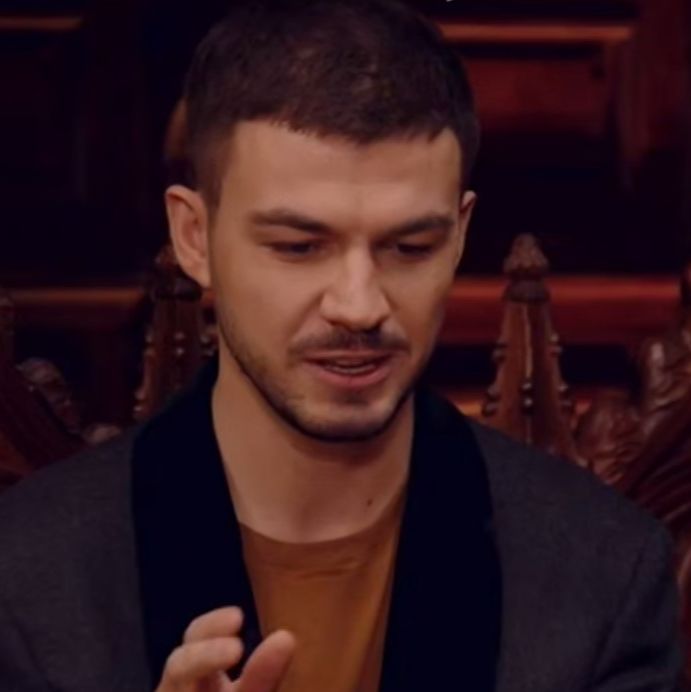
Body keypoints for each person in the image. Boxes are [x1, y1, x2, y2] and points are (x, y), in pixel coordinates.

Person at [0, 1, 682, 690]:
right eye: (298, 247)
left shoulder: (605, 573)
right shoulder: (25, 576)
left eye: (409, 248)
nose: (359, 305)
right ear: (193, 238)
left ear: (459, 236)